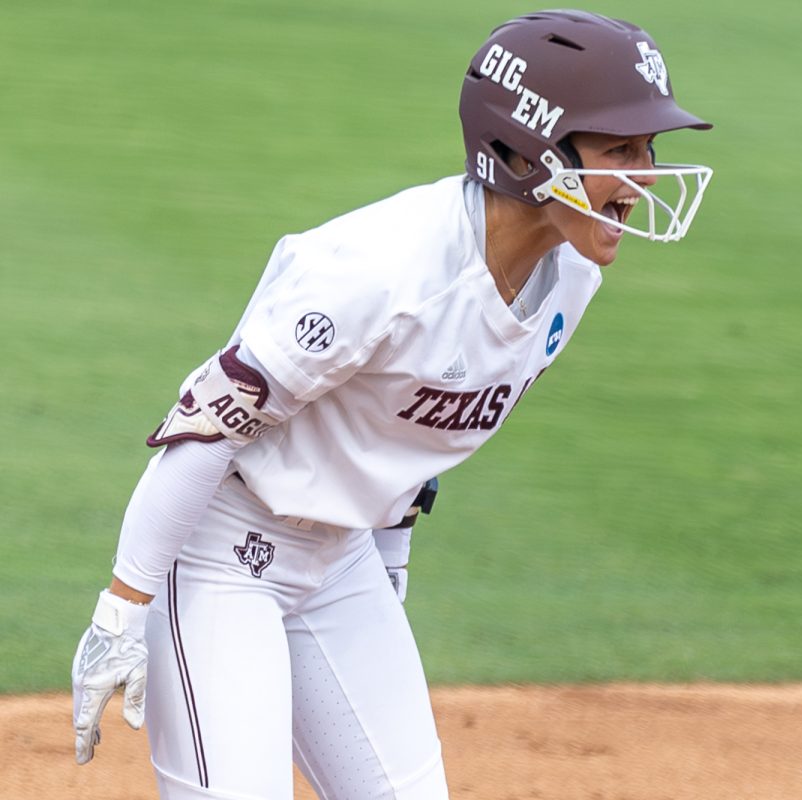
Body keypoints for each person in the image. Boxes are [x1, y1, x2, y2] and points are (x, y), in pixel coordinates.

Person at [70, 9, 713, 799]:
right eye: (623, 148)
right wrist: (122, 610)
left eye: (650, 149)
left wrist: (389, 556)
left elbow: (416, 425)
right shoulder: (377, 271)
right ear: (529, 147)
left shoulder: (569, 281)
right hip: (220, 556)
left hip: (339, 561)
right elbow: (205, 428)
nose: (646, 175)